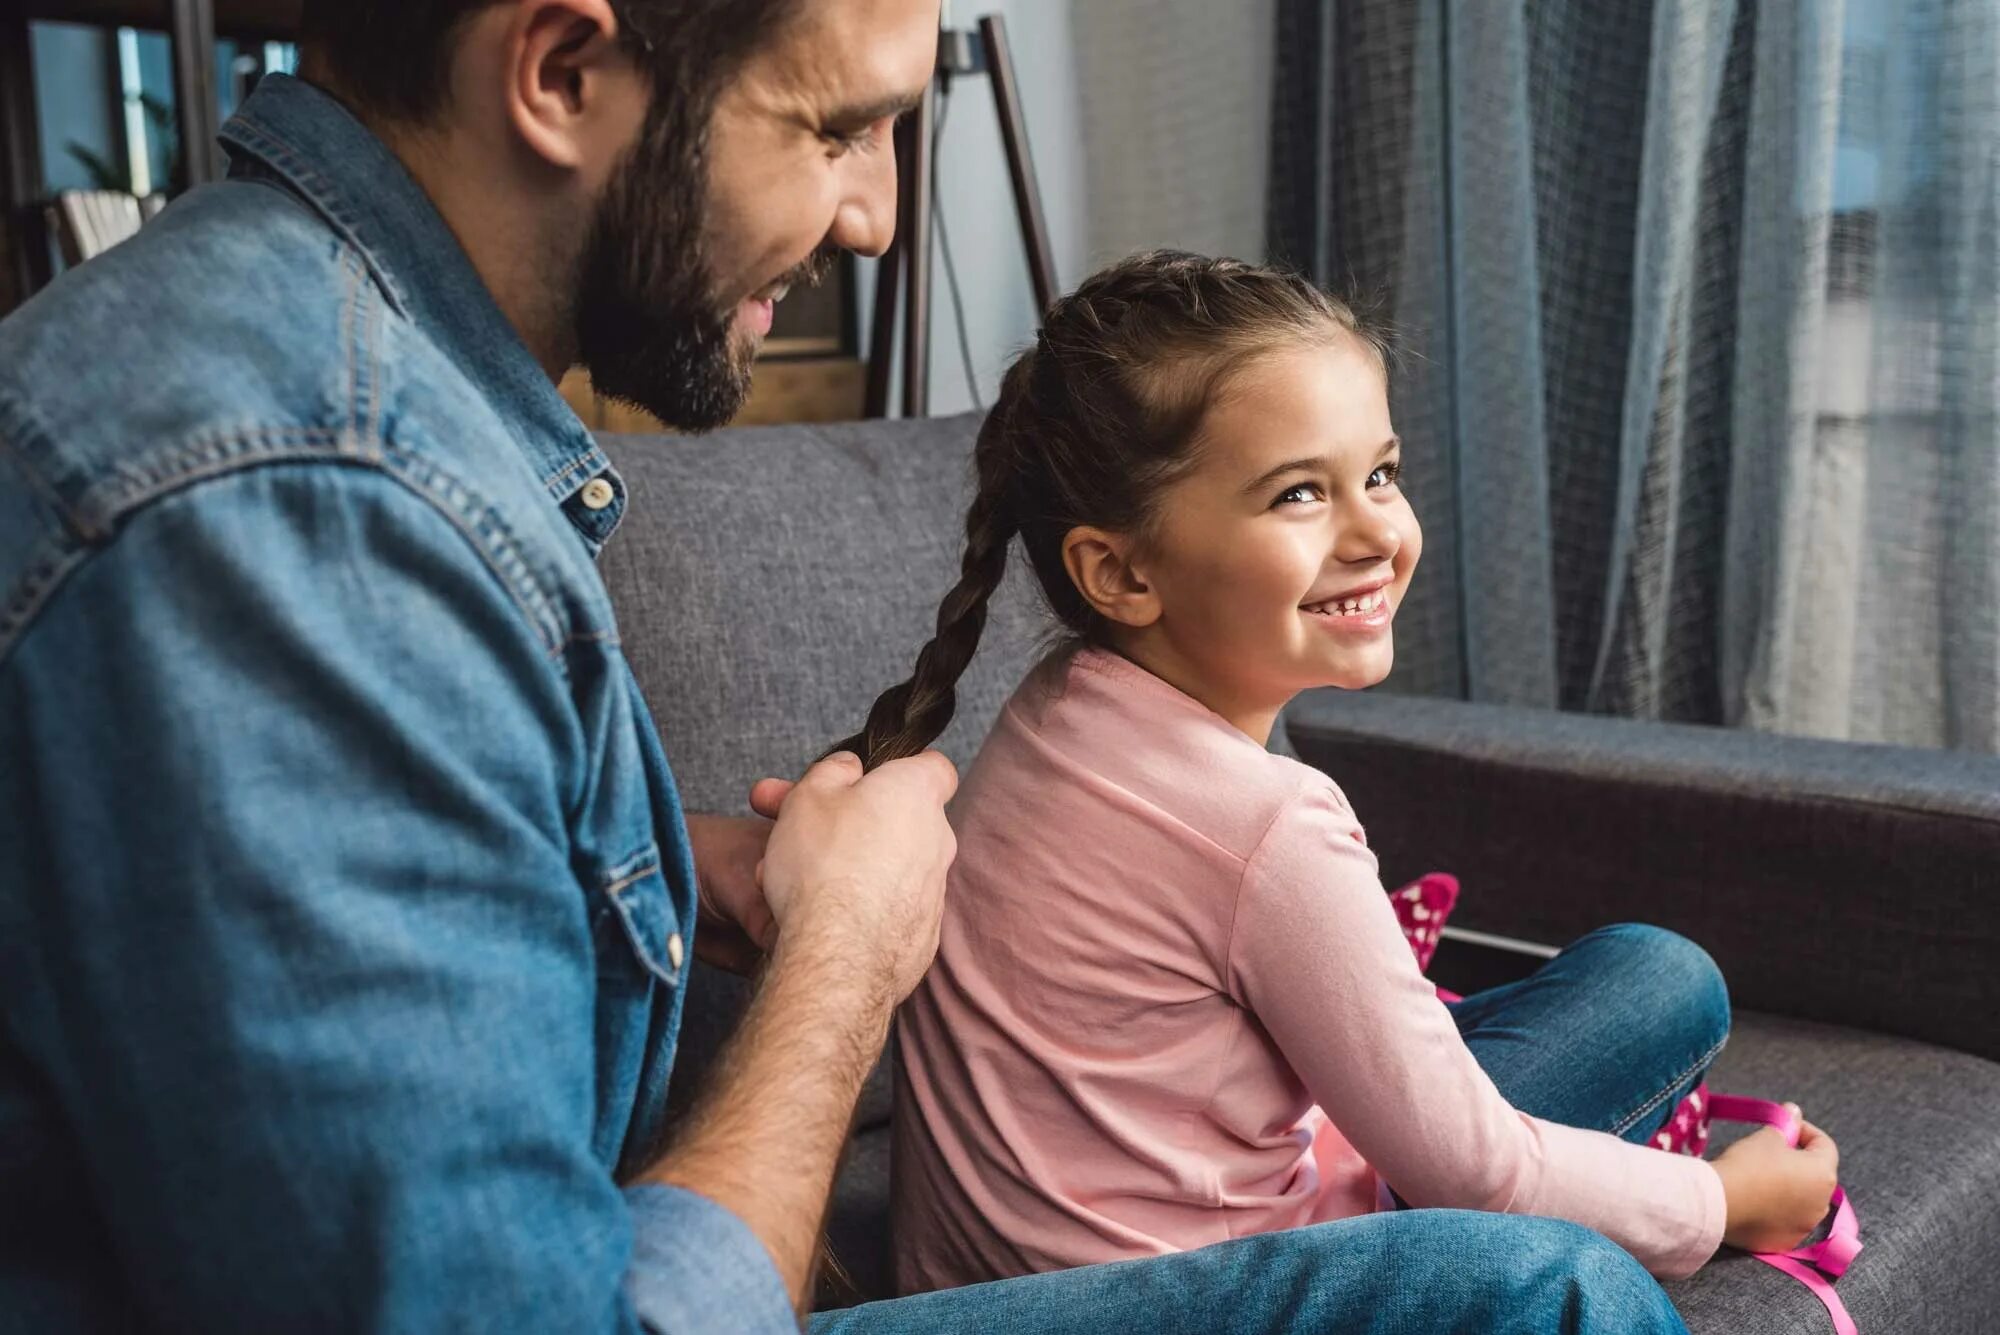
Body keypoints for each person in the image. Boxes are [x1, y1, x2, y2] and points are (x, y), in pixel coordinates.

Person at [0, 2, 1693, 1330]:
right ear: (564, 70)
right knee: (1547, 1289)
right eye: (838, 127)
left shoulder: (349, 399)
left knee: (1639, 991)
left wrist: (663, 881)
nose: (878, 222)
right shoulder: (298, 500)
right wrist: (845, 963)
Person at [837, 251, 1843, 1297]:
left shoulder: (1049, 709)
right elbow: (1471, 1172)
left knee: (1652, 974)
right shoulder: (1267, 823)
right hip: (1225, 1293)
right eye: (1298, 495)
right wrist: (1723, 1202)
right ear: (1123, 572)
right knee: (1659, 981)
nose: (1376, 533)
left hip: (994, 1287)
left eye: (1380, 474)